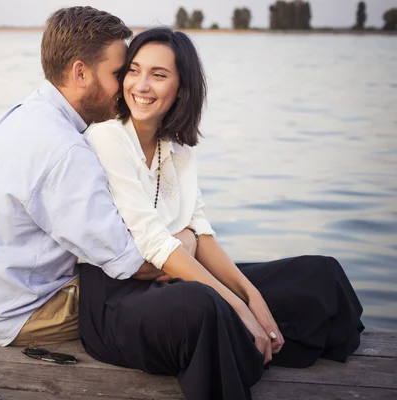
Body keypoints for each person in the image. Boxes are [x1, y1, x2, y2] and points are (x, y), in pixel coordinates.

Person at [78, 27, 365, 400]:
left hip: (176, 278)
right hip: (117, 304)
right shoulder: (107, 137)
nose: (142, 85)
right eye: (134, 70)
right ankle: (241, 338)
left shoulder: (177, 148)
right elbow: (151, 241)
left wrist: (252, 295)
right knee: (207, 306)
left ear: (181, 88)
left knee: (319, 273)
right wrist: (238, 307)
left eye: (159, 75)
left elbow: (200, 231)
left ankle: (251, 338)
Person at [0, 6, 159, 347]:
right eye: (118, 74)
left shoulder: (21, 116)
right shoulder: (64, 151)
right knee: (168, 294)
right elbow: (133, 264)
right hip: (22, 315)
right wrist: (188, 245)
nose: (125, 87)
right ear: (81, 73)